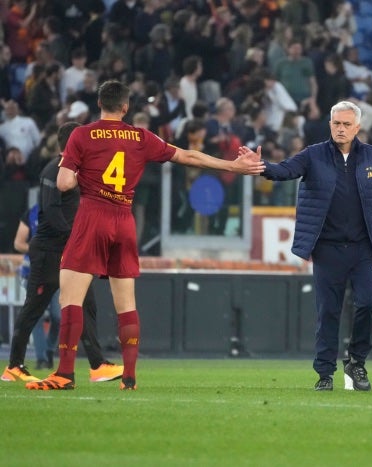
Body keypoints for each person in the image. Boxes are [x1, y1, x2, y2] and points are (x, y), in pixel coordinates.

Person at [26, 80, 265, 391]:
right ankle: (129, 377)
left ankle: (65, 374)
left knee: (71, 298)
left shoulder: (81, 135)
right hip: (124, 220)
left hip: (92, 216)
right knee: (126, 302)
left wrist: (72, 167)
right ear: (126, 108)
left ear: (100, 104)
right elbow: (187, 157)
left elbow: (64, 184)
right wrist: (233, 166)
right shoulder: (140, 136)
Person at [240, 100, 372, 391]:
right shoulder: (313, 155)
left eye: (346, 124)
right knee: (328, 310)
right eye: (336, 123)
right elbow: (285, 171)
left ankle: (356, 362)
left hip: (363, 247)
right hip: (327, 248)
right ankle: (325, 373)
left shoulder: (369, 156)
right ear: (330, 125)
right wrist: (261, 165)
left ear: (357, 128)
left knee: (368, 303)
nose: (340, 129)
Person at [2, 122, 123, 384]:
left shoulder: (75, 172)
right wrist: (77, 238)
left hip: (70, 250)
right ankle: (13, 366)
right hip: (51, 251)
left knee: (86, 305)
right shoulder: (53, 171)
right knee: (34, 308)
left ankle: (98, 364)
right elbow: (53, 212)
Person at [11, 205, 60, 370]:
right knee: (36, 315)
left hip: (57, 271)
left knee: (58, 316)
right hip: (34, 270)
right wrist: (39, 248)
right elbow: (18, 243)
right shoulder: (32, 212)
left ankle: (49, 350)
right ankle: (42, 358)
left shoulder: (66, 210)